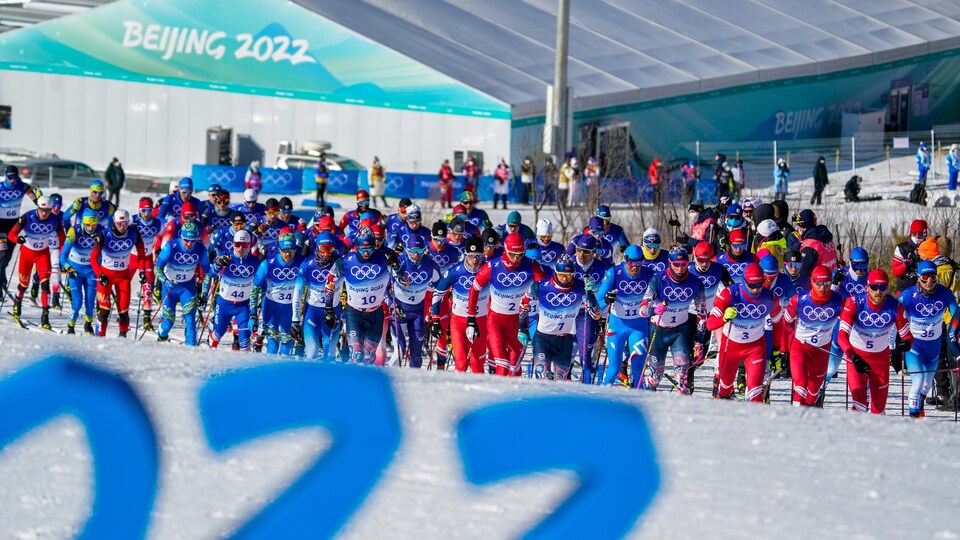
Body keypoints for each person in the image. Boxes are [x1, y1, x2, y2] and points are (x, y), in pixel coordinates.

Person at [467, 232, 546, 376]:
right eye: (513, 254)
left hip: (518, 323)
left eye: (520, 254)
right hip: (496, 322)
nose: (516, 258)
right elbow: (474, 289)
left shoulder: (531, 265)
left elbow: (547, 287)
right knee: (502, 367)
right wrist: (471, 319)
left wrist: (537, 287)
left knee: (515, 369)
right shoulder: (492, 267)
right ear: (505, 250)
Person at [837, 269, 910, 414]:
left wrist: (907, 343)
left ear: (887, 288)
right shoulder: (854, 302)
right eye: (874, 287)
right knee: (859, 403)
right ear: (867, 287)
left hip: (880, 360)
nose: (878, 292)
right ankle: (851, 434)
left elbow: (907, 336)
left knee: (879, 410)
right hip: (857, 356)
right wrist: (853, 356)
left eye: (882, 287)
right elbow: (842, 336)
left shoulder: (895, 306)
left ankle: (874, 436)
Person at [323, 227, 400, 364]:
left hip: (375, 314)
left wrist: (397, 267)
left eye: (370, 248)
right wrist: (328, 308)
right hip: (354, 313)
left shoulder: (384, 257)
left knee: (369, 357)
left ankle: (366, 383)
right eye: (362, 248)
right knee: (356, 354)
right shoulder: (345, 261)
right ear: (356, 246)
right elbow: (329, 282)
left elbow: (404, 281)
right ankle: (353, 383)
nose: (366, 252)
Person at [707, 263, 782, 401]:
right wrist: (724, 318)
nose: (756, 289)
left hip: (755, 347)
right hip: (730, 347)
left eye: (760, 284)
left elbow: (779, 325)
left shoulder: (770, 298)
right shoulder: (730, 294)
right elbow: (710, 324)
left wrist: (777, 350)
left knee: (755, 390)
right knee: (724, 390)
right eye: (751, 285)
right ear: (743, 281)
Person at [898, 260, 960, 417]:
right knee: (918, 381)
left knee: (926, 385)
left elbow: (956, 314)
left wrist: (955, 330)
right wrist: (896, 340)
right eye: (925, 277)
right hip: (914, 345)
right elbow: (894, 314)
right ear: (918, 277)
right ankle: (914, 419)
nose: (930, 281)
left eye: (933, 277)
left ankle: (919, 407)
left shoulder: (945, 294)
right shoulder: (908, 295)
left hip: (934, 345)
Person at [640, 246, 706, 393]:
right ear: (669, 262)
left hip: (680, 332)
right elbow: (642, 309)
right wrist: (653, 310)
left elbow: (702, 313)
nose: (680, 268)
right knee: (655, 377)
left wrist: (700, 341)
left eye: (684, 265)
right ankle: (646, 398)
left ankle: (682, 412)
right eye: (676, 264)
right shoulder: (657, 279)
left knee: (682, 377)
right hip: (658, 330)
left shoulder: (696, 282)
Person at [528, 254, 600, 380]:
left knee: (560, 380)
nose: (565, 279)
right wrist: (523, 327)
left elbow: (596, 314)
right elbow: (524, 303)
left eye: (569, 275)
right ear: (556, 272)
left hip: (565, 340)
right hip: (543, 338)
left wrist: (591, 295)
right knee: (542, 377)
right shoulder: (542, 286)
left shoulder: (580, 287)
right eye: (562, 275)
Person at [783, 265, 843, 406]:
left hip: (821, 351)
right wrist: (785, 349)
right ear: (812, 282)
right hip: (801, 348)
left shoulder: (839, 301)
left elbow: (850, 322)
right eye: (819, 284)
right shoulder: (799, 300)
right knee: (801, 386)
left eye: (827, 284)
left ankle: (807, 419)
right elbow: (786, 324)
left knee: (813, 393)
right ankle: (797, 422)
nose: (823, 288)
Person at [596, 245, 652, 387]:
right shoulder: (614, 273)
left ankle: (638, 400)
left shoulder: (649, 274)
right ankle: (601, 395)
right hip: (617, 325)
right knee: (614, 368)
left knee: (638, 369)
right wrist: (607, 301)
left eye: (639, 262)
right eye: (631, 263)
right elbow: (597, 303)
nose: (635, 267)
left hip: (639, 328)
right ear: (624, 260)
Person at [7, 196, 65, 329]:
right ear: (37, 208)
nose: (44, 213)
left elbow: (62, 240)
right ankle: (18, 301)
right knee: (23, 284)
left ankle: (45, 316)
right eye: (42, 210)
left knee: (45, 285)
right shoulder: (27, 217)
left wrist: (63, 255)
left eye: (47, 210)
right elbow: (11, 234)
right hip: (27, 254)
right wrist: (18, 239)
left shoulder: (55, 220)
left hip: (42, 254)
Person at [431, 236, 487, 372]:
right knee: (461, 364)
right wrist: (435, 319)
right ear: (466, 254)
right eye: (471, 256)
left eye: (478, 255)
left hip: (481, 321)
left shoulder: (488, 269)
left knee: (477, 366)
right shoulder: (455, 271)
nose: (475, 260)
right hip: (459, 322)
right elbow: (438, 293)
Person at [89, 209, 145, 338]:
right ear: (114, 222)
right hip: (106, 276)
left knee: (124, 312)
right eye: (119, 224)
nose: (122, 227)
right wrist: (100, 274)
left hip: (123, 277)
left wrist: (142, 271)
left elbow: (141, 255)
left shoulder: (134, 233)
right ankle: (100, 336)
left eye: (125, 223)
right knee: (104, 311)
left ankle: (123, 337)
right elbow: (92, 258)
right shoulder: (104, 235)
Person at [155, 221, 210, 345]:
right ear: (181, 236)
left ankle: (191, 352)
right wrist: (166, 281)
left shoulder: (201, 249)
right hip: (169, 288)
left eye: (193, 240)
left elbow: (207, 273)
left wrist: (205, 294)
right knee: (168, 323)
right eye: (186, 240)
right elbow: (157, 268)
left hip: (187, 287)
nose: (190, 244)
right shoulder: (170, 247)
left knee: (190, 320)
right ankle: (161, 335)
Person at [390, 235, 441, 368]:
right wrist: (391, 303)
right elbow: (384, 286)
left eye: (420, 251)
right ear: (407, 250)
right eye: (413, 251)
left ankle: (414, 384)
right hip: (399, 309)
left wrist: (434, 309)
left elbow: (440, 289)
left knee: (417, 353)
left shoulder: (431, 265)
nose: (416, 255)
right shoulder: (399, 262)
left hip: (417, 311)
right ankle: (390, 381)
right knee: (399, 351)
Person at [291, 231, 343, 361]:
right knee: (312, 352)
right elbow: (297, 293)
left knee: (329, 355)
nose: (326, 253)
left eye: (330, 248)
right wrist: (295, 320)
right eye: (323, 248)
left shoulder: (341, 264)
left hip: (333, 312)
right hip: (312, 312)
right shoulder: (307, 265)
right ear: (317, 247)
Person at [250, 230, 302, 354]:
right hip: (271, 307)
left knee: (287, 345)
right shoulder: (267, 264)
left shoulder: (302, 262)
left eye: (291, 251)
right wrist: (252, 314)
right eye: (284, 251)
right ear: (279, 249)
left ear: (296, 249)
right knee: (272, 345)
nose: (288, 254)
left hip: (290, 308)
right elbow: (255, 288)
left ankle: (283, 373)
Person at [206, 229, 259, 350]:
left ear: (249, 245)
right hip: (224, 303)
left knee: (245, 340)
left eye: (244, 245)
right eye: (237, 244)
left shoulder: (255, 262)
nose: (240, 248)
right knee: (218, 334)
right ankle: (210, 346)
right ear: (233, 243)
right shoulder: (226, 257)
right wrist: (218, 264)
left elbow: (262, 283)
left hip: (243, 306)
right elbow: (211, 275)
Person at [60, 210, 103, 335]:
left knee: (90, 303)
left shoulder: (101, 231)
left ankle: (88, 324)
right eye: (88, 224)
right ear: (83, 222)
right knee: (77, 302)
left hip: (91, 271)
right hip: (76, 271)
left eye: (93, 224)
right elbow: (63, 256)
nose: (91, 228)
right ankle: (70, 326)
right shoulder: (74, 231)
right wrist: (69, 268)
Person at [0, 165, 39, 296]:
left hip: (13, 224)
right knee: (2, 253)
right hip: (0, 224)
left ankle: (1, 273)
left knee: (9, 255)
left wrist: (40, 198)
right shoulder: (0, 187)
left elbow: (37, 201)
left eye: (14, 177)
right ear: (6, 176)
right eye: (10, 177)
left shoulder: (23, 186)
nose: (12, 180)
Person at [793, 209, 838, 273]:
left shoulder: (810, 244)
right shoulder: (826, 237)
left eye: (799, 225)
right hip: (831, 278)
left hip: (819, 280)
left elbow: (804, 271)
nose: (798, 228)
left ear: (802, 225)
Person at [892, 219, 927, 293]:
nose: (917, 236)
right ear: (911, 233)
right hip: (904, 290)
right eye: (914, 234)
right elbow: (895, 271)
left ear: (924, 234)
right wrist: (906, 264)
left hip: (924, 291)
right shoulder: (902, 248)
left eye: (920, 234)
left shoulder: (928, 248)